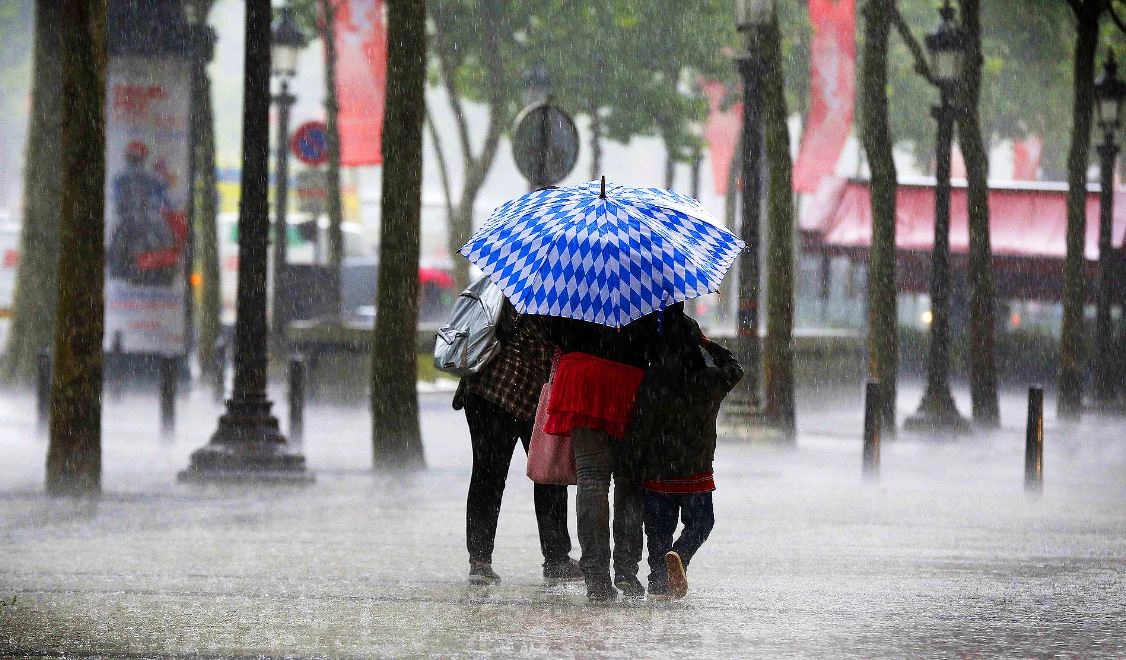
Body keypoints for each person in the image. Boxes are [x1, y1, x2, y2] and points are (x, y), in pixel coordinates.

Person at [453, 300, 582, 586]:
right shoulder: (555, 299)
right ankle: (555, 558)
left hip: (485, 387)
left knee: (488, 475)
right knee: (547, 473)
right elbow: (549, 352)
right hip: (517, 391)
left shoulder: (510, 282)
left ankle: (480, 560)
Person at [626, 304, 743, 600]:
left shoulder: (652, 380)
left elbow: (640, 427)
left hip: (658, 471)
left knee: (657, 532)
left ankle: (658, 582)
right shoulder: (709, 381)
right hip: (696, 470)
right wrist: (708, 344)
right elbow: (735, 369)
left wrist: (633, 464)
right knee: (702, 523)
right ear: (693, 343)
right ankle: (680, 554)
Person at [541, 312, 657, 601]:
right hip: (630, 378)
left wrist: (578, 340)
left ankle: (596, 576)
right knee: (629, 481)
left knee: (591, 479)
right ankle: (627, 571)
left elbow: (550, 326)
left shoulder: (571, 270)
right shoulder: (650, 273)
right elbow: (662, 334)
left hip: (582, 374)